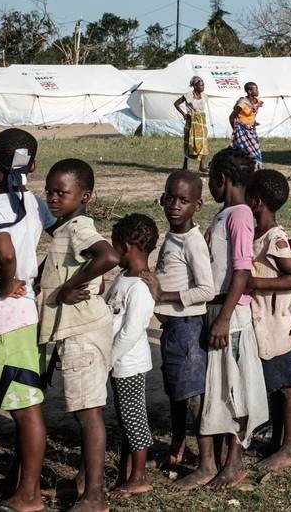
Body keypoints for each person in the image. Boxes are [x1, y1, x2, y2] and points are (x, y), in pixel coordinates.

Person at [0, 129, 48, 511]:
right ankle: (18, 482)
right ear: (32, 166)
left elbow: (4, 251)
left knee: (25, 408)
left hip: (9, 315)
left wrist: (7, 282)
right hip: (26, 311)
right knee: (27, 401)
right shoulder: (34, 203)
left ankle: (29, 496)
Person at [39, 159, 121, 511]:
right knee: (82, 410)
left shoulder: (79, 227)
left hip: (83, 333)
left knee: (89, 414)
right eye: (49, 191)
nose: (53, 198)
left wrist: (69, 287)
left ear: (84, 195)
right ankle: (84, 482)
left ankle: (94, 496)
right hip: (78, 330)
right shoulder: (63, 228)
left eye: (62, 192)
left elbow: (109, 255)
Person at [195, 148, 269, 489]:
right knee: (222, 384)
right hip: (219, 308)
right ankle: (222, 459)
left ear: (221, 180)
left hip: (232, 314)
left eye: (210, 178)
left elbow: (242, 270)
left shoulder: (239, 215)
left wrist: (223, 318)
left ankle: (234, 461)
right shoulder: (224, 216)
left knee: (235, 386)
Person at [146, 171, 215, 476]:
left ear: (197, 205)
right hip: (173, 327)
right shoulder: (172, 235)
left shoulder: (192, 241)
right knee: (176, 391)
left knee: (191, 395)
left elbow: (207, 290)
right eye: (170, 198)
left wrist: (164, 293)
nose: (175, 205)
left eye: (183, 201)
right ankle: (177, 448)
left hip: (188, 327)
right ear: (162, 198)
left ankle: (207, 460)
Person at [244, 169, 291, 472]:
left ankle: (290, 447)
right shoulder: (257, 235)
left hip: (275, 325)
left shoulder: (274, 238)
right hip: (262, 325)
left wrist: (256, 285)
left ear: (256, 201)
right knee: (277, 387)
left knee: (288, 387)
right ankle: (278, 442)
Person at [105, 214, 158, 500]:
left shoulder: (140, 288)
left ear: (126, 246)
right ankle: (127, 472)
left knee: (134, 418)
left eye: (114, 246)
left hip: (128, 364)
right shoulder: (124, 277)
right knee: (127, 418)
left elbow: (130, 331)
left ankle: (138, 477)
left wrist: (107, 360)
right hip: (118, 364)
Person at [174, 76, 211, 173]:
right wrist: (184, 114)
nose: (203, 87)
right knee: (189, 141)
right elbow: (176, 103)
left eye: (203, 85)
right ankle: (185, 165)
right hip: (191, 121)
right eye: (201, 85)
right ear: (195, 86)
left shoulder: (204, 96)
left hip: (201, 121)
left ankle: (201, 166)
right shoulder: (188, 96)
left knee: (203, 142)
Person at [230, 81, 264, 169]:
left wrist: (253, 122)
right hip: (241, 129)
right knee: (243, 150)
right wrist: (235, 129)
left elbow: (252, 114)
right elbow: (232, 116)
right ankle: (244, 167)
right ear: (249, 91)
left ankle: (254, 167)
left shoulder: (256, 101)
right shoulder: (243, 103)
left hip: (251, 129)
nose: (257, 91)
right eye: (255, 89)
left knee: (255, 149)